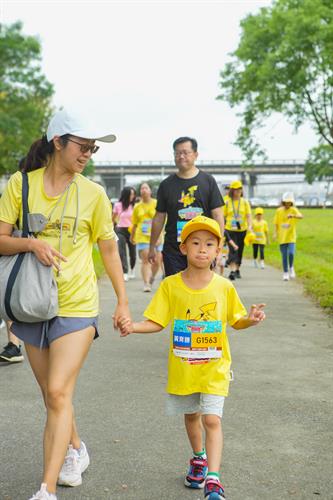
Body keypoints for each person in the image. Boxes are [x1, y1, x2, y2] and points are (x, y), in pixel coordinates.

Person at [0, 109, 130, 500]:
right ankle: (76, 448)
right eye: (83, 145)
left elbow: (109, 250)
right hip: (32, 303)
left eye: (93, 149)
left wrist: (123, 301)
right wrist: (32, 243)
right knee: (52, 394)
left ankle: (46, 489)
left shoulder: (92, 194)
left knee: (57, 391)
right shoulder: (21, 185)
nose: (88, 153)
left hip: (76, 304)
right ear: (58, 142)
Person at [119, 215, 265, 500]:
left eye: (209, 244)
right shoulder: (171, 286)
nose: (202, 249)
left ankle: (213, 478)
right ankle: (199, 458)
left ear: (218, 250)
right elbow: (157, 321)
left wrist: (250, 319)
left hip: (215, 369)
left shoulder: (224, 287)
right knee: (191, 417)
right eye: (195, 243)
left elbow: (236, 320)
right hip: (184, 370)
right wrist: (132, 326)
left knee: (212, 419)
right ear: (183, 248)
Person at [148, 137, 224, 277]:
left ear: (195, 154)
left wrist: (219, 246)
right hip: (174, 249)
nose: (181, 156)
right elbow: (159, 217)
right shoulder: (166, 185)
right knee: (176, 289)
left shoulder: (208, 181)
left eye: (185, 152)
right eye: (177, 153)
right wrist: (152, 246)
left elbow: (218, 215)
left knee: (201, 289)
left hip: (202, 248)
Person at [130, 182, 163, 292]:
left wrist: (160, 236)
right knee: (145, 260)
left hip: (156, 236)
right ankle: (146, 283)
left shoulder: (157, 203)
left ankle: (152, 277)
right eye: (142, 188)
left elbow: (162, 220)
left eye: (146, 188)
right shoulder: (137, 206)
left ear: (150, 191)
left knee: (157, 261)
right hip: (142, 236)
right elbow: (134, 223)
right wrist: (132, 236)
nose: (144, 190)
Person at [223, 180, 252, 280]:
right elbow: (223, 216)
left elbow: (248, 215)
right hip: (230, 229)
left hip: (242, 230)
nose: (237, 192)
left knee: (240, 251)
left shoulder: (245, 202)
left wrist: (250, 226)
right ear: (232, 191)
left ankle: (237, 268)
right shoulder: (227, 202)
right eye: (235, 190)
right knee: (232, 250)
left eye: (239, 189)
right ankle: (232, 271)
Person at [273, 192, 303, 281]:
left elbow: (301, 216)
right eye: (286, 202)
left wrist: (293, 215)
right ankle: (285, 272)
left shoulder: (293, 210)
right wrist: (275, 233)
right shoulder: (279, 211)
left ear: (291, 202)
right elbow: (276, 223)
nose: (288, 204)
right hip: (282, 237)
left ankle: (291, 267)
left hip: (291, 236)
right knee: (284, 256)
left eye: (289, 202)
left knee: (291, 253)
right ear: (283, 202)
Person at [112, 186, 137, 281]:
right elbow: (113, 218)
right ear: (126, 195)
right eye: (131, 194)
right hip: (120, 230)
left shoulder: (135, 206)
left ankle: (132, 269)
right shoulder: (118, 205)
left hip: (132, 230)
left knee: (133, 253)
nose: (133, 196)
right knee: (122, 251)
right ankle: (125, 272)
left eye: (134, 194)